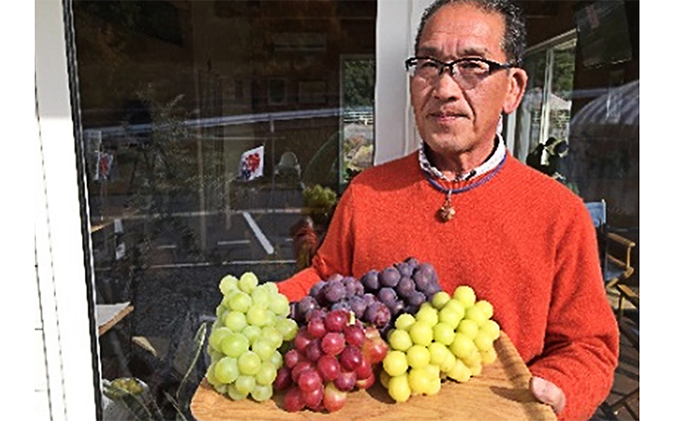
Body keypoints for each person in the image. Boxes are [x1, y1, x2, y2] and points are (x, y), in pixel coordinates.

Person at [277, 1, 619, 419]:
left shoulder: (559, 214)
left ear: (513, 88)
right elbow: (326, 280)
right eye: (428, 64)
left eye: (472, 65)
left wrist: (556, 393)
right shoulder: (367, 192)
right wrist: (266, 308)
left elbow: (588, 345)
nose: (444, 88)